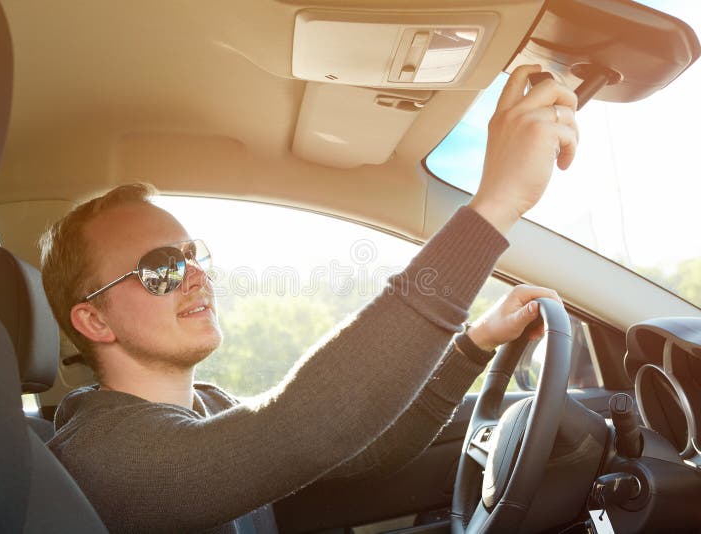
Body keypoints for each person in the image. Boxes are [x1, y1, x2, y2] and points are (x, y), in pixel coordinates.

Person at [40, 65, 578, 532]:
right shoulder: (99, 455)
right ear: (93, 320)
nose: (195, 277)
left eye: (193, 255)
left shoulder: (206, 405)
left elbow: (369, 444)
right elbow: (304, 427)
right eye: (161, 267)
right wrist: (495, 207)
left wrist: (475, 343)